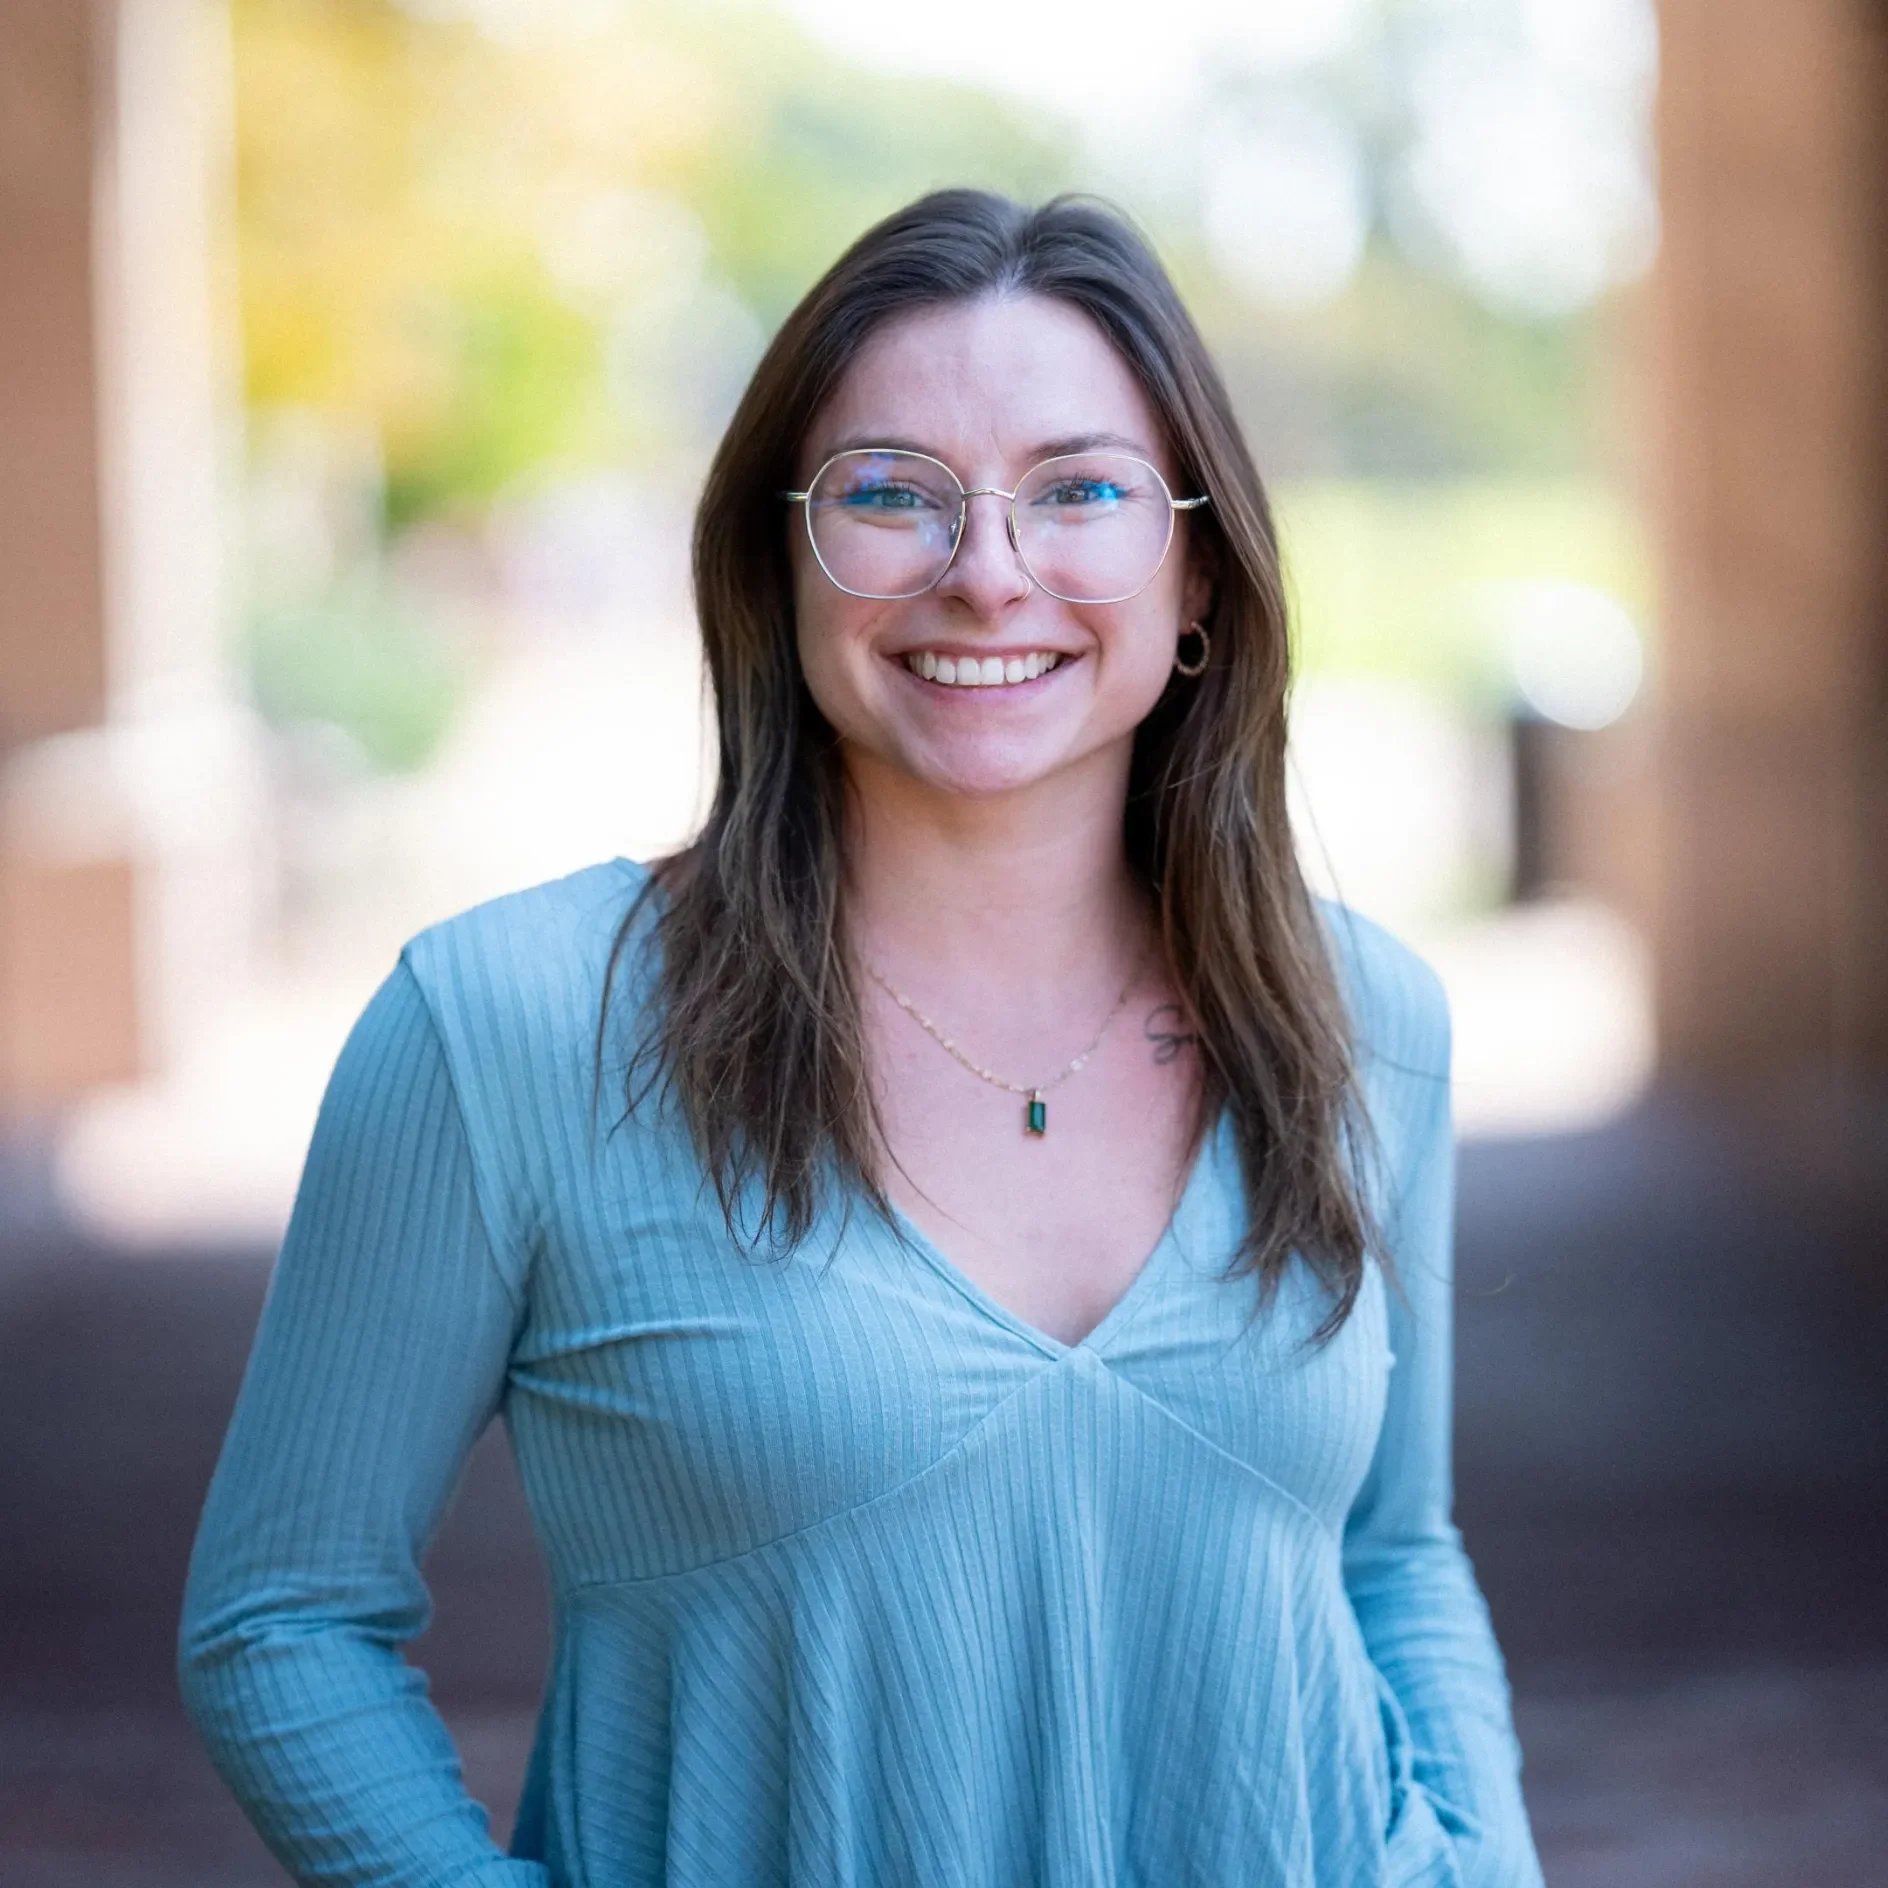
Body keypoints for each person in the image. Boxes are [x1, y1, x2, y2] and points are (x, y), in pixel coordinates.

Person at [180, 189, 1545, 1887]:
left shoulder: (1362, 1021)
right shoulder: (508, 1028)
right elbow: (282, 1622)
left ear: (1195, 568)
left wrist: (1486, 1866)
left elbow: (1395, 1553)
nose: (988, 572)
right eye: (891, 494)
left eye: (1082, 491)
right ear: (781, 562)